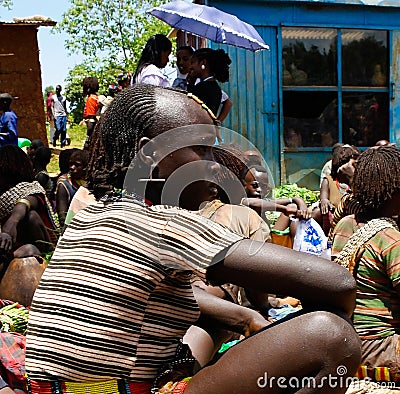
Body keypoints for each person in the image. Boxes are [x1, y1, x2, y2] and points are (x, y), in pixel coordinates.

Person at [24, 85, 360, 394]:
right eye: (202, 151)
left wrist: (245, 319)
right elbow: (339, 282)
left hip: (67, 388)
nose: (216, 167)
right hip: (125, 389)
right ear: (150, 156)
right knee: (331, 335)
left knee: (216, 326)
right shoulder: (165, 223)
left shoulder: (91, 215)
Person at [331, 145, 400, 385]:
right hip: (383, 349)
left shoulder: (345, 225)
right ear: (394, 191)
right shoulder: (390, 238)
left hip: (348, 344)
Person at [0, 145, 59, 258]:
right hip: (14, 245)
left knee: (31, 216)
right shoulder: (4, 194)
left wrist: (11, 223)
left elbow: (25, 203)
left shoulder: (31, 189)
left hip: (41, 247)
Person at [188, 48, 231, 118]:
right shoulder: (214, 87)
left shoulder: (202, 88)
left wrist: (190, 86)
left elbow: (189, 110)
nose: (190, 67)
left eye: (192, 63)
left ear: (203, 63)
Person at [55, 149, 88, 229]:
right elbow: (62, 217)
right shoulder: (64, 185)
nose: (72, 168)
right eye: (70, 164)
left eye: (77, 165)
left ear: (86, 167)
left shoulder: (93, 184)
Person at [82, 77, 100, 149]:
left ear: (88, 88)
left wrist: (87, 139)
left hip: (92, 129)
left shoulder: (91, 99)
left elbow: (91, 120)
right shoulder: (95, 97)